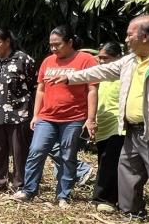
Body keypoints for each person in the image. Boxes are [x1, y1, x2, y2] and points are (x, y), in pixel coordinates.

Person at [49, 16, 149, 224]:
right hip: (132, 130)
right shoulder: (131, 60)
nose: (125, 39)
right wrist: (71, 77)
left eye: (129, 34)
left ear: (145, 36)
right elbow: (102, 70)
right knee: (128, 172)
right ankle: (131, 213)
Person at [15, 25, 97, 207]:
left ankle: (63, 196)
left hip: (74, 118)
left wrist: (91, 119)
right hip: (47, 117)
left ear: (69, 42)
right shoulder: (47, 61)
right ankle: (29, 191)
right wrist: (36, 115)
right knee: (36, 151)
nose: (53, 49)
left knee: (68, 156)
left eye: (57, 45)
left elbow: (92, 90)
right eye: (51, 45)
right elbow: (41, 90)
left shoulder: (86, 60)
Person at [0, 29, 35, 199]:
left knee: (19, 152)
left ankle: (20, 186)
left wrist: (35, 112)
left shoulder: (23, 59)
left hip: (18, 113)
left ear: (8, 41)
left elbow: (36, 86)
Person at [90, 42, 124, 211]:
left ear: (118, 57)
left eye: (106, 58)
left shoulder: (125, 74)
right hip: (101, 124)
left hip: (119, 125)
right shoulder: (99, 75)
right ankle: (106, 197)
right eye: (100, 58)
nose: (102, 61)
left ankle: (105, 199)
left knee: (111, 160)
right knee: (103, 160)